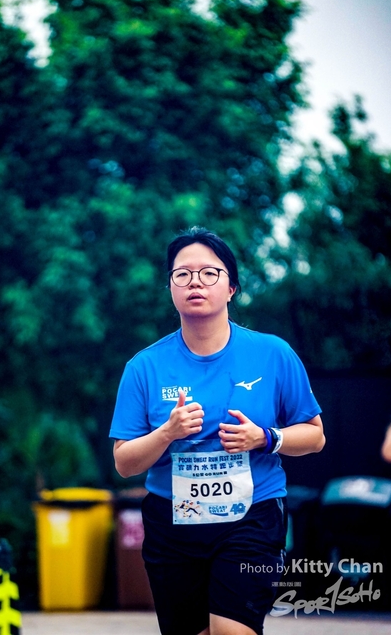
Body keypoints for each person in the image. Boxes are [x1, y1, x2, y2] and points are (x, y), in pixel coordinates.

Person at [110, 226, 325, 635]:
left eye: (209, 273)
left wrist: (266, 438)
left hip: (252, 516)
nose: (195, 282)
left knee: (232, 631)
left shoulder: (273, 354)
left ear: (231, 288)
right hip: (173, 524)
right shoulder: (144, 367)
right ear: (170, 288)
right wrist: (166, 433)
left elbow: (315, 436)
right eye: (183, 274)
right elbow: (124, 463)